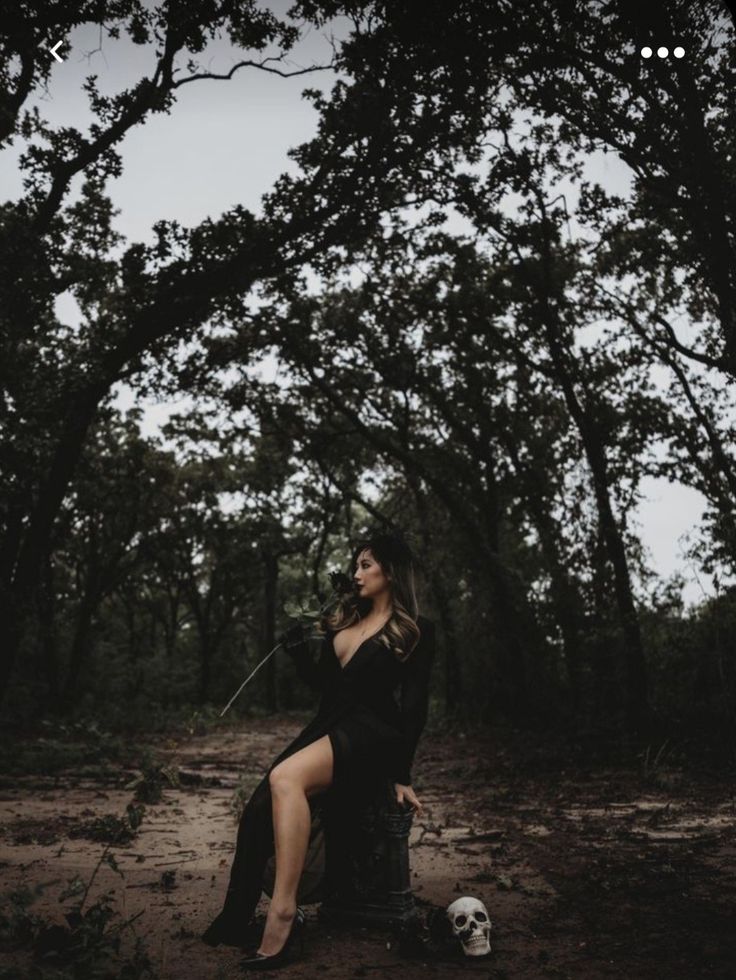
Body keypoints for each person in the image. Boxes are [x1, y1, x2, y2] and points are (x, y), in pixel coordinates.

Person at [201, 530, 436, 970]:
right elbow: (328, 688)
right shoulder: (344, 621)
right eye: (356, 565)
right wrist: (297, 654)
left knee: (284, 777)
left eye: (366, 565)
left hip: (374, 733)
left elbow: (414, 708)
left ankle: (283, 913)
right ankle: (239, 917)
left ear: (390, 571)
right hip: (332, 725)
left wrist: (401, 773)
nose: (357, 573)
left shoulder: (415, 630)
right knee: (259, 807)